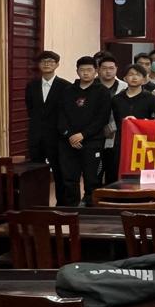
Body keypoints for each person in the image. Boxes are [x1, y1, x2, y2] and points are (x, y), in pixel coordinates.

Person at [57, 56, 111, 206]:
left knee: (92, 178)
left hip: (92, 141)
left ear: (96, 71)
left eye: (89, 70)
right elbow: (61, 116)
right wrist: (69, 135)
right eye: (82, 70)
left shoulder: (102, 92)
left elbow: (102, 118)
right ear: (77, 71)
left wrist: (83, 135)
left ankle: (90, 208)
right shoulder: (67, 91)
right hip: (68, 142)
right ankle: (71, 208)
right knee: (69, 178)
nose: (85, 73)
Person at [25, 50, 70, 201]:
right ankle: (37, 204)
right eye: (43, 61)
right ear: (39, 65)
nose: (46, 64)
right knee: (35, 172)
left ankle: (61, 204)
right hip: (36, 136)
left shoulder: (65, 86)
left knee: (59, 172)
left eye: (50, 61)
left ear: (57, 65)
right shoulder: (31, 86)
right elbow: (31, 109)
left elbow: (67, 112)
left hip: (57, 137)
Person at [111, 64, 155, 177]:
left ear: (144, 79)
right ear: (125, 78)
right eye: (131, 74)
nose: (134, 77)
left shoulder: (151, 98)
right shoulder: (117, 99)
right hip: (121, 140)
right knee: (119, 170)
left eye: (138, 75)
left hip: (143, 141)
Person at [96, 54, 126, 185]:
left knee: (113, 170)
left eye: (111, 68)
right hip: (95, 134)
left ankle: (112, 194)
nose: (108, 71)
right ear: (98, 70)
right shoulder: (92, 85)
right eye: (104, 68)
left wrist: (113, 126)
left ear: (116, 69)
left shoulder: (124, 87)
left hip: (117, 134)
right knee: (95, 171)